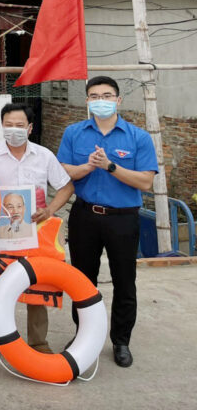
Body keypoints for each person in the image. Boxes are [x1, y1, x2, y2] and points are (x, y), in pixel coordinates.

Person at [57, 76, 157, 368]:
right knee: (81, 280)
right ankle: (83, 336)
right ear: (87, 101)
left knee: (125, 281)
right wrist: (87, 166)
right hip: (85, 216)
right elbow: (65, 172)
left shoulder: (138, 137)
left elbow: (146, 182)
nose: (101, 99)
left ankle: (121, 340)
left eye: (107, 95)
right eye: (94, 95)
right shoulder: (74, 133)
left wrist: (110, 166)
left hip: (123, 219)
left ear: (118, 100)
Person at [0, 102, 73, 358]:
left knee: (36, 284)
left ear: (30, 128)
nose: (14, 130)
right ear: (2, 126)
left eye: (20, 125)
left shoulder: (44, 155)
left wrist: (50, 209)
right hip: (0, 230)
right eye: (9, 125)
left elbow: (65, 186)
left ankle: (38, 341)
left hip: (35, 231)